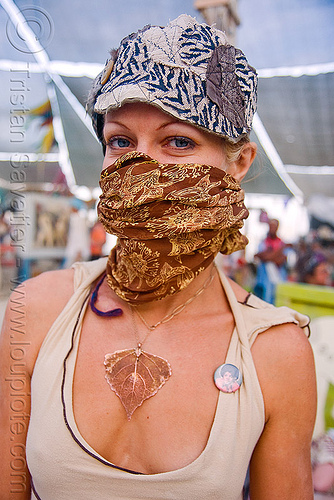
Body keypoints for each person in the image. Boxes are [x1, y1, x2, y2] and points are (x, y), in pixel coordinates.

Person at [0, 15, 316, 500]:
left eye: (178, 141)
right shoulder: (37, 311)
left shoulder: (274, 352)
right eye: (121, 141)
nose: (140, 165)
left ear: (240, 162)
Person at [254, 218, 287, 303]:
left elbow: (281, 260)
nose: (272, 228)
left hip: (277, 279)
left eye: (274, 226)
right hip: (263, 280)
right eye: (270, 226)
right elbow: (259, 256)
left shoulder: (281, 243)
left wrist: (268, 255)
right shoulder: (264, 242)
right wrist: (277, 253)